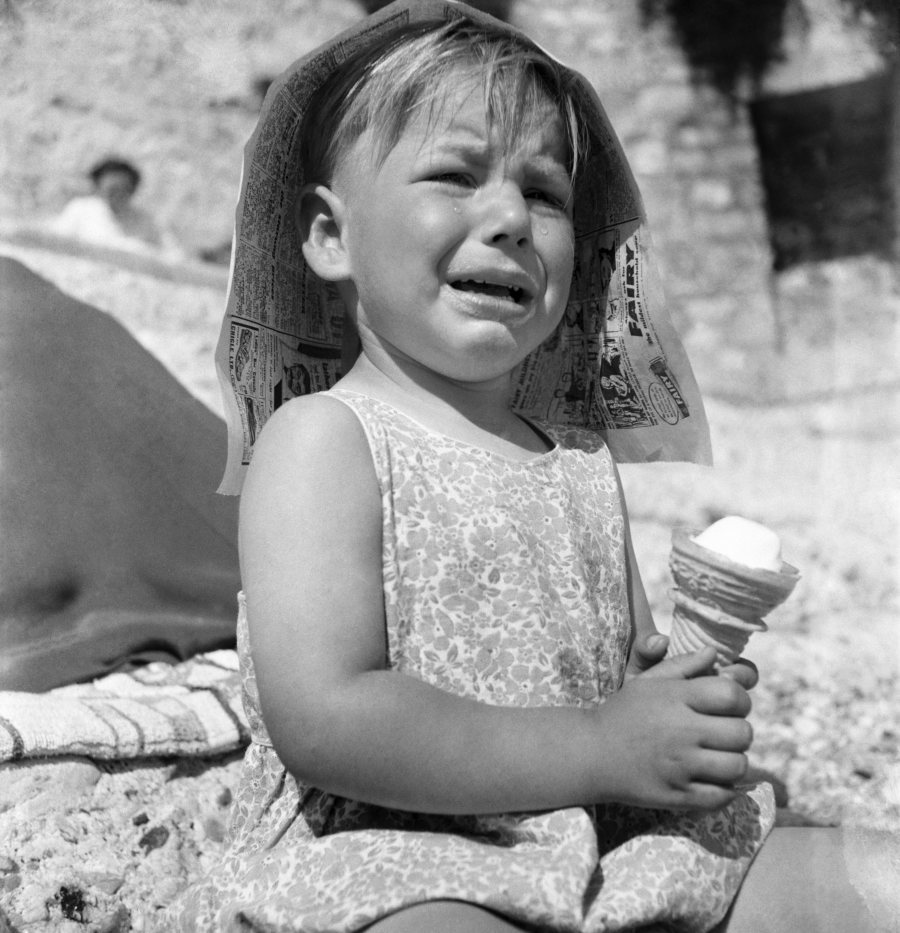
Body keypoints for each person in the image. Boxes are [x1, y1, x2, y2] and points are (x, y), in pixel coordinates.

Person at [168, 2, 898, 930]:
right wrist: (600, 742)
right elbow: (326, 718)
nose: (511, 216)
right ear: (329, 235)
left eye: (545, 193)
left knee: (868, 880)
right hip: (401, 857)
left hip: (604, 844)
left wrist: (677, 704)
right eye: (455, 175)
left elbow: (620, 680)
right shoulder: (326, 440)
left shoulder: (581, 460)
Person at [47, 157, 185, 260]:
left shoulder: (146, 221)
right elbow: (56, 244)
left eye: (124, 190)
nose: (117, 195)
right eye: (112, 189)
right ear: (98, 188)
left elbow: (175, 256)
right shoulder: (81, 209)